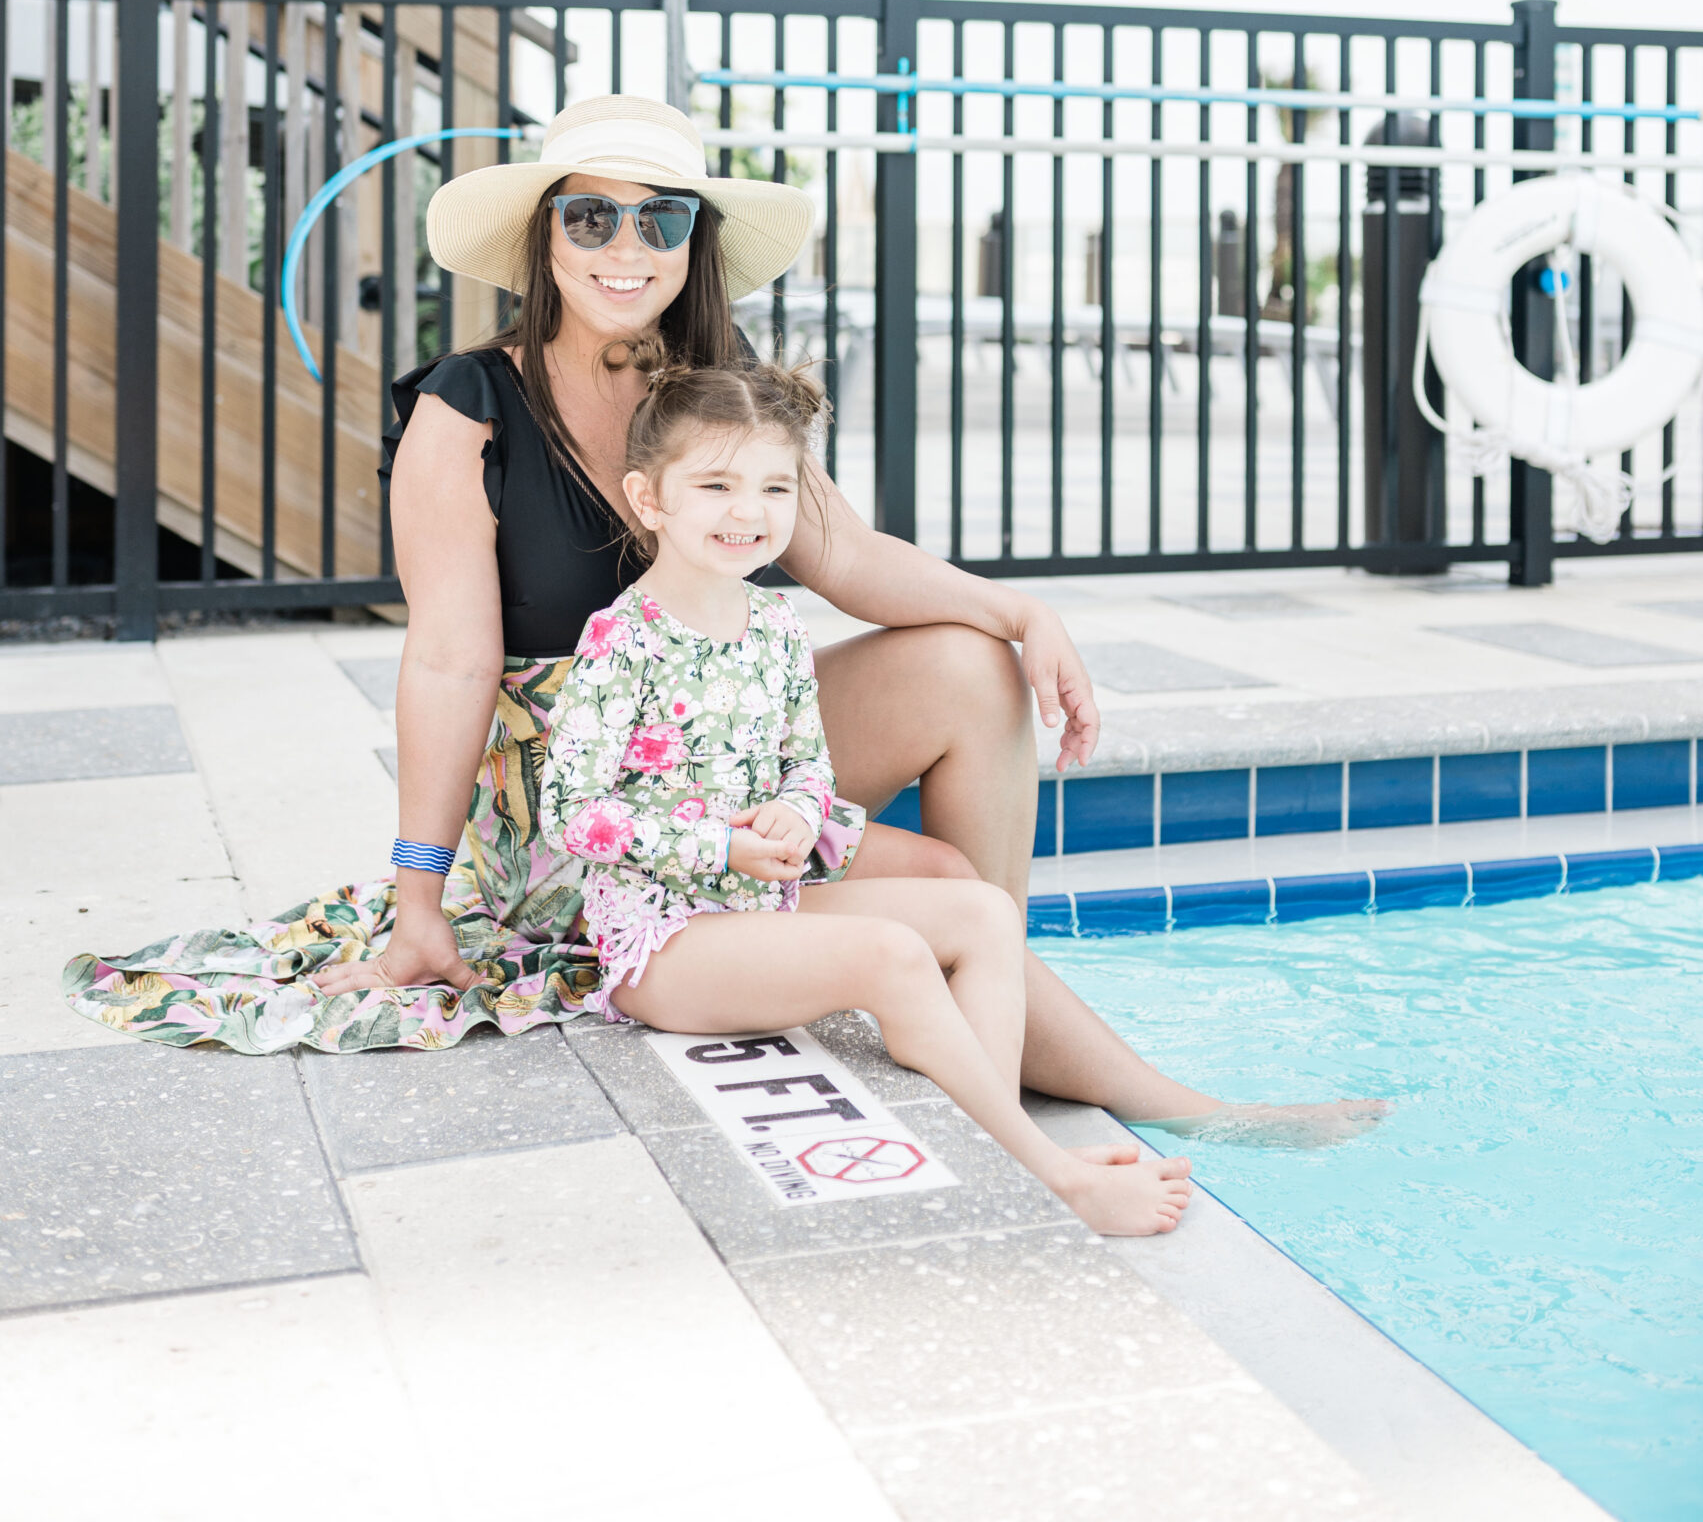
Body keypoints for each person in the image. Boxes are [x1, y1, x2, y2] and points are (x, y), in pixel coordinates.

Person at [65, 93, 1381, 1147]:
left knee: (967, 670)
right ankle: (1119, 1086)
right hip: (574, 794)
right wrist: (419, 899)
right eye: (589, 218)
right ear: (544, 238)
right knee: (924, 882)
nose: (622, 250)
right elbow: (451, 655)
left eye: (657, 220)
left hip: (723, 745)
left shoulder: (716, 400)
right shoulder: (465, 406)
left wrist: (1020, 609)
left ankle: (993, 1032)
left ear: (693, 238)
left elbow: (846, 554)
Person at [539, 345, 1192, 1238]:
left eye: (775, 489)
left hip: (763, 900)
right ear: (651, 499)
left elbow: (807, 762)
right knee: (890, 954)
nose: (749, 513)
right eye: (718, 487)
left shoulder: (771, 624)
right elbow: (571, 813)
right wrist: (719, 844)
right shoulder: (623, 640)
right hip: (668, 940)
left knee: (982, 913)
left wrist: (796, 813)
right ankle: (1048, 1174)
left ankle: (993, 1121)